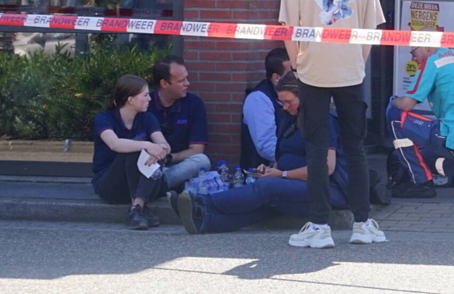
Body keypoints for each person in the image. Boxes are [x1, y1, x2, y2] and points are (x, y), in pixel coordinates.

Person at [279, 0, 387, 247]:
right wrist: (358, 61)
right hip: (350, 70)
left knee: (316, 148)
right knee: (355, 148)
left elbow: (288, 27)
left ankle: (320, 226)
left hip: (312, 70)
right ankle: (363, 224)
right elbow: (370, 29)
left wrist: (296, 63)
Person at [173, 72, 389, 240]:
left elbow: (327, 167)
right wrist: (271, 168)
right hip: (297, 183)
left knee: (267, 188)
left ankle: (202, 204)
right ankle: (206, 221)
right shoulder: (293, 119)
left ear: (304, 98)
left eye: (289, 102)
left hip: (329, 190)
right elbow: (285, 153)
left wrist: (281, 174)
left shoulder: (325, 122)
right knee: (266, 203)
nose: (285, 108)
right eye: (281, 103)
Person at [386, 46, 454, 198]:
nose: (413, 58)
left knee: (395, 115)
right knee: (424, 156)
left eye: (413, 52)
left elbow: (406, 104)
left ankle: (420, 183)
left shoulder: (433, 62)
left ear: (426, 47)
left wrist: (392, 100)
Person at [91, 74, 171, 230]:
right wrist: (147, 145)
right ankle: (140, 208)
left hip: (144, 185)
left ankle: (137, 208)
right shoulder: (104, 118)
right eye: (145, 95)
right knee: (138, 147)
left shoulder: (147, 118)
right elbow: (114, 144)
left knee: (154, 149)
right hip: (112, 185)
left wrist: (161, 149)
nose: (150, 99)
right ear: (130, 99)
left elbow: (164, 144)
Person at [148, 55, 210, 191]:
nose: (187, 83)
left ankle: (156, 185)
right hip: (149, 164)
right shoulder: (146, 104)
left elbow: (197, 150)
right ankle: (159, 185)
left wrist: (169, 158)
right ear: (164, 84)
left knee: (202, 160)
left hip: (179, 166)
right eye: (181, 80)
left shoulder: (194, 104)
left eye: (186, 78)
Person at [241, 47, 293, 168]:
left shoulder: (296, 94)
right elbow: (266, 146)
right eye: (292, 72)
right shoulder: (258, 99)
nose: (297, 76)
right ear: (276, 77)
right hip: (263, 173)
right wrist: (296, 158)